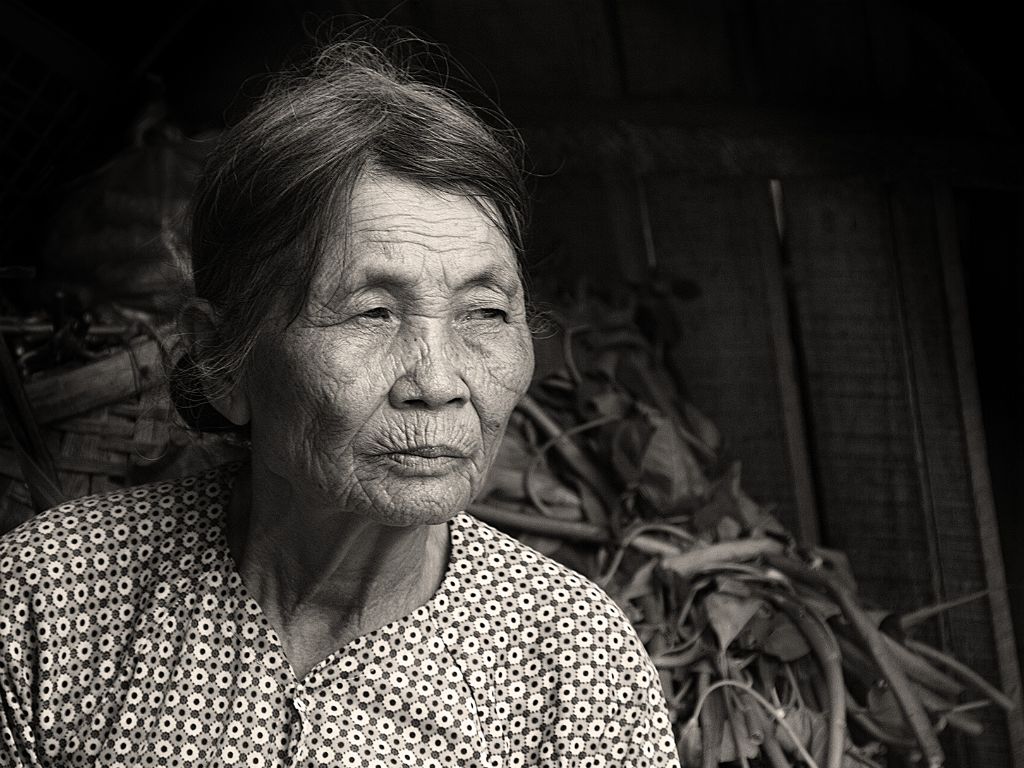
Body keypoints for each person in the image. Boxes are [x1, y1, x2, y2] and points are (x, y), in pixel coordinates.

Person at [0, 32, 681, 767]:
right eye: (373, 313)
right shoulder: (51, 596)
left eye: (484, 314)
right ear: (220, 359)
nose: (439, 382)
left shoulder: (574, 666)